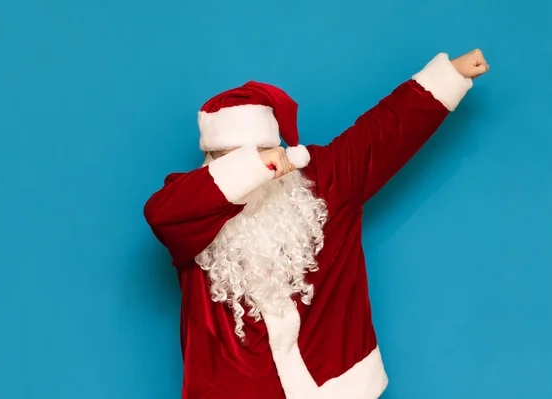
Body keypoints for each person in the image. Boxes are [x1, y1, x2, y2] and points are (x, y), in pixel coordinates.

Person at [143, 49, 489, 399]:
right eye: (234, 159)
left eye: (263, 152)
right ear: (211, 163)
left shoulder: (325, 180)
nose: (258, 175)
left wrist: (451, 75)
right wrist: (252, 166)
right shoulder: (189, 209)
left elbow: (384, 132)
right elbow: (160, 214)